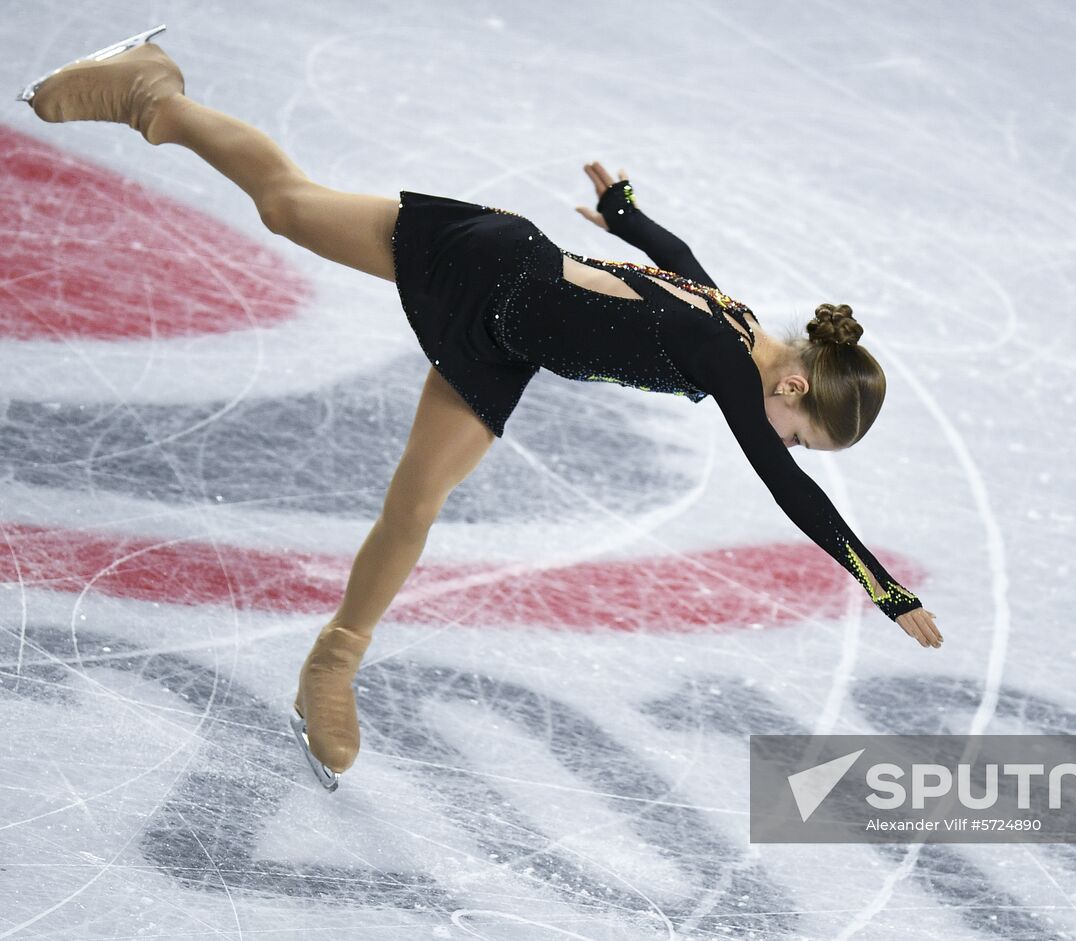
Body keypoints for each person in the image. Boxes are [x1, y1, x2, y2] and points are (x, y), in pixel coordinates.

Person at [21, 26, 943, 792]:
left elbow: (684, 260)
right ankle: (151, 94)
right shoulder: (730, 359)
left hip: (503, 342)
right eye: (801, 430)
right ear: (794, 388)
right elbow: (786, 489)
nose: (786, 441)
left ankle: (334, 660)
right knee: (290, 210)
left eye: (798, 440)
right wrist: (881, 586)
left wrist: (626, 216)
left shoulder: (740, 327)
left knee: (413, 498)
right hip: (487, 268)